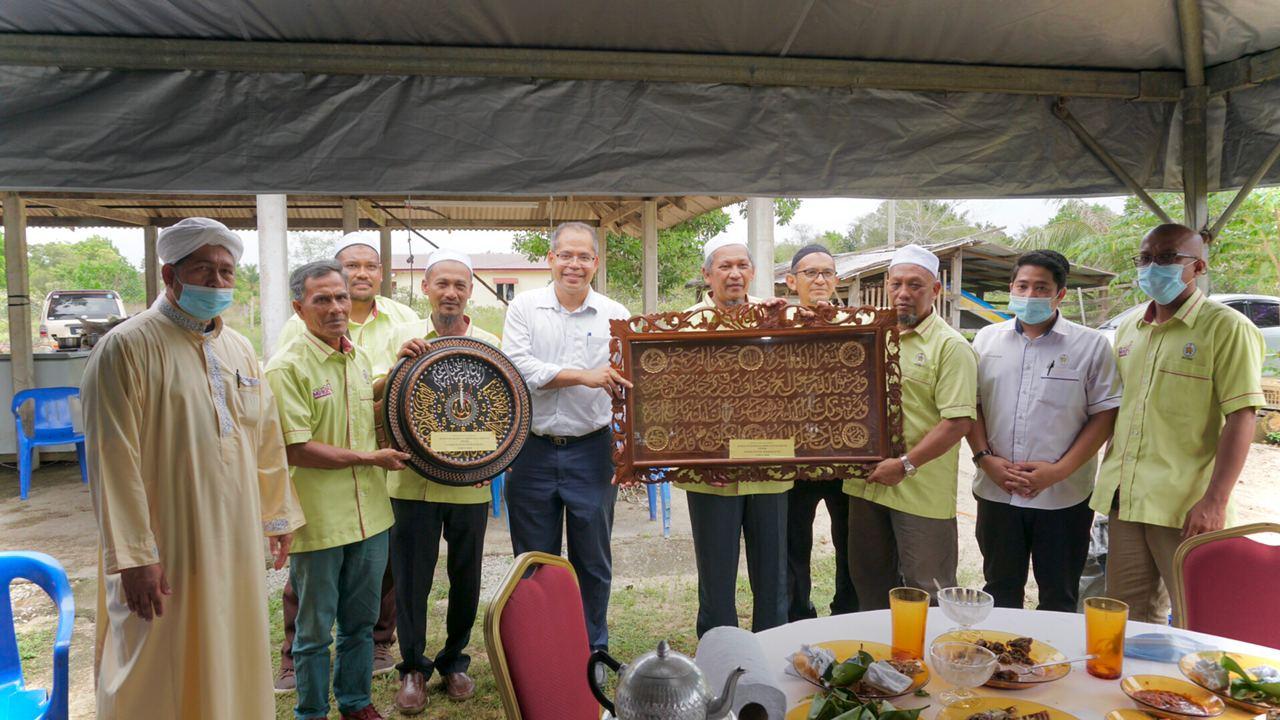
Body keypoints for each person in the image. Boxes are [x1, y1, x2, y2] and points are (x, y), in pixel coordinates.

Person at [84, 217, 304, 719]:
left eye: (226, 272)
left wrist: (278, 516)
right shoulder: (126, 347)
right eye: (204, 269)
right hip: (166, 543)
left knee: (231, 642)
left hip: (234, 537)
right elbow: (112, 459)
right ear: (170, 275)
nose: (217, 281)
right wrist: (134, 557)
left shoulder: (238, 348)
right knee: (156, 656)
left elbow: (265, 437)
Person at [1092, 224, 1265, 623]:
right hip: (1127, 499)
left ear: (1198, 267)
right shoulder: (1130, 328)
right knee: (1127, 618)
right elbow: (1120, 411)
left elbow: (1241, 415)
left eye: (1168, 257)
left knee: (1199, 618)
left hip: (1186, 506)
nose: (1153, 267)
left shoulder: (1227, 327)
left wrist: (1215, 501)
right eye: (1145, 258)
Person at [265, 260, 410, 720]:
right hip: (321, 520)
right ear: (299, 307)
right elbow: (298, 448)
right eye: (322, 299)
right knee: (313, 630)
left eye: (341, 297)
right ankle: (311, 711)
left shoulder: (357, 357)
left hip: (371, 517)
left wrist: (403, 370)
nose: (335, 308)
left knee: (361, 623)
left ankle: (355, 702)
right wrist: (371, 459)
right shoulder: (287, 367)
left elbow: (366, 409)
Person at [373, 249, 499, 713]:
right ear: (425, 288)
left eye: (459, 285)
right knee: (410, 579)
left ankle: (454, 661)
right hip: (412, 483)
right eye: (441, 283)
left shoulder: (488, 344)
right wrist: (396, 368)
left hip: (470, 484)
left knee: (467, 577)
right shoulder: (401, 337)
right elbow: (371, 399)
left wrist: (493, 459)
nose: (450, 292)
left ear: (470, 292)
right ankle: (412, 667)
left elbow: (501, 412)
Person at [501, 221, 631, 651]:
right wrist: (584, 376)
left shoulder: (616, 314)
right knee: (534, 563)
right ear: (551, 259)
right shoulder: (524, 308)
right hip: (531, 450)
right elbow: (518, 369)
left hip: (592, 451)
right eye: (566, 255)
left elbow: (629, 381)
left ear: (596, 262)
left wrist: (628, 452)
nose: (574, 265)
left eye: (584, 257)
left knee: (592, 559)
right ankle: (541, 650)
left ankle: (592, 649)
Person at [967, 250, 1120, 612]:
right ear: (1011, 288)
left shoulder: (1090, 345)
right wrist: (985, 459)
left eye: (1041, 288)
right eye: (1023, 286)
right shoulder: (986, 340)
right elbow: (971, 406)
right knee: (1000, 591)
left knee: (1059, 595)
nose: (1030, 295)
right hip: (997, 491)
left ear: (1059, 294)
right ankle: (1003, 650)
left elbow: (1104, 414)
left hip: (1063, 496)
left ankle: (1055, 651)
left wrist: (1058, 471)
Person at [843, 244, 977, 608]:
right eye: (896, 283)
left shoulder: (950, 347)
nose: (904, 293)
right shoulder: (870, 337)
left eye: (915, 285)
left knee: (927, 592)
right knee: (869, 586)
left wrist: (904, 465)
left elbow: (958, 421)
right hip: (867, 486)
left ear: (936, 290)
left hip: (920, 493)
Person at [679, 236, 790, 637]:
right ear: (707, 275)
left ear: (753, 272)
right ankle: (720, 654)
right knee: (716, 576)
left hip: (769, 468)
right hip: (710, 474)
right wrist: (697, 453)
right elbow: (670, 399)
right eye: (724, 266)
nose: (735, 274)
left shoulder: (774, 317)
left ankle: (771, 650)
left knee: (773, 575)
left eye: (742, 266)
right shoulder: (685, 325)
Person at [781, 244, 859, 620]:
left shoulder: (858, 329)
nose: (819, 280)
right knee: (793, 542)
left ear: (836, 280)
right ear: (791, 281)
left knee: (852, 542)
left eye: (827, 273)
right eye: (810, 273)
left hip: (847, 458)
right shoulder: (776, 328)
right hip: (794, 459)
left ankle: (848, 613)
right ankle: (799, 615)